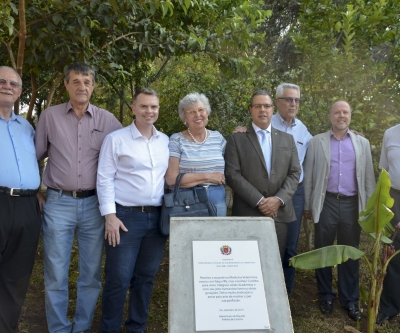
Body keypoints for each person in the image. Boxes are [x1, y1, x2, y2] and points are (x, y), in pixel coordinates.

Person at [35, 62, 122, 333]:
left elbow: (130, 146)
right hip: (58, 203)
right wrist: (35, 191)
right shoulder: (50, 117)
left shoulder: (107, 120)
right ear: (66, 85)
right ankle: (60, 329)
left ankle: (82, 327)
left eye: (86, 81)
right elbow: (33, 156)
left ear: (93, 86)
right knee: (56, 273)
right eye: (75, 81)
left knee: (91, 274)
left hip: (94, 206)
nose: (81, 86)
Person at [97, 88, 169, 333]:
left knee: (145, 278)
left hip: (157, 218)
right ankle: (110, 328)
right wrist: (110, 216)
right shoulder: (116, 139)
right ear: (133, 109)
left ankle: (137, 327)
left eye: (154, 107)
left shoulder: (165, 141)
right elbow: (104, 178)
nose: (149, 111)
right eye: (144, 106)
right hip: (125, 218)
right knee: (118, 278)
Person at [303, 100, 375, 321]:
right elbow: (309, 176)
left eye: (345, 112)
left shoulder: (362, 143)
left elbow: (369, 178)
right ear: (330, 116)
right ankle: (325, 296)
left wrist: (370, 208)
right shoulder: (316, 142)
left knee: (349, 253)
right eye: (337, 112)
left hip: (353, 205)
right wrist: (307, 204)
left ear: (350, 115)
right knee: (323, 251)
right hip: (327, 203)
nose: (341, 116)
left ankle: (350, 300)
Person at [225, 89, 301, 257]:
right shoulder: (236, 139)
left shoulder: (287, 139)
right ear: (250, 109)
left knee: (274, 264)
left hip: (279, 214)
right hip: (247, 212)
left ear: (273, 109)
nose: (262, 110)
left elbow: (295, 173)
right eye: (257, 106)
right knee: (245, 265)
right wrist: (260, 201)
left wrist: (277, 200)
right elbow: (232, 174)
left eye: (266, 106)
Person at [0, 66, 42, 333]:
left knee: (16, 276)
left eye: (13, 83)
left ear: (19, 91)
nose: (7, 86)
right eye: (1, 81)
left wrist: (36, 192)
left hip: (27, 207)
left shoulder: (26, 126)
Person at [165, 92, 227, 216]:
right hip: (187, 201)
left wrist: (242, 132)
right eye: (191, 112)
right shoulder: (176, 140)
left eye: (201, 110)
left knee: (218, 235)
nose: (198, 115)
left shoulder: (218, 138)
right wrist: (209, 177)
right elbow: (171, 179)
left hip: (217, 199)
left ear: (207, 112)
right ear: (184, 118)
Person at [376, 123, 400, 325]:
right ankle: (389, 308)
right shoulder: (390, 134)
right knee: (392, 252)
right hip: (394, 198)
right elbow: (384, 169)